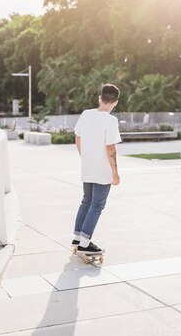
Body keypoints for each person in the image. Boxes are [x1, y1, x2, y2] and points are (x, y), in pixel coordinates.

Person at [71, 84, 121, 255]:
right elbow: (111, 149)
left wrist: (84, 156)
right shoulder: (111, 120)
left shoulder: (86, 114)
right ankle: (85, 243)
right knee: (97, 204)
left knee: (86, 201)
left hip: (88, 167)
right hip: (102, 170)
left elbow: (77, 137)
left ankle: (77, 238)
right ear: (115, 102)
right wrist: (115, 172)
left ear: (100, 98)